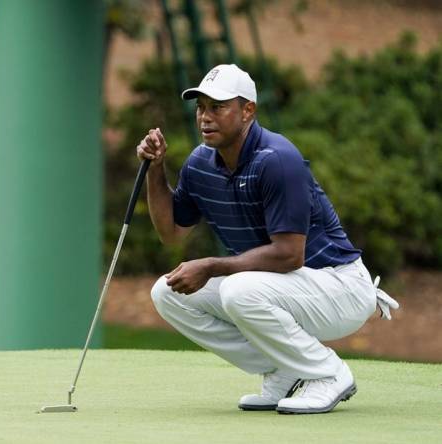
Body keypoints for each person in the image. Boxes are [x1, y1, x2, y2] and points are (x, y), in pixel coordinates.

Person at [138, 64, 399, 414]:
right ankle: (285, 370)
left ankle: (328, 373)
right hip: (280, 287)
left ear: (248, 111)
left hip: (339, 286)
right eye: (201, 107)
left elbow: (290, 255)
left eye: (218, 107)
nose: (205, 117)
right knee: (168, 293)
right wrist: (156, 170)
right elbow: (171, 233)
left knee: (237, 290)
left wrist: (213, 265)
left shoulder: (277, 160)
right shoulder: (200, 164)